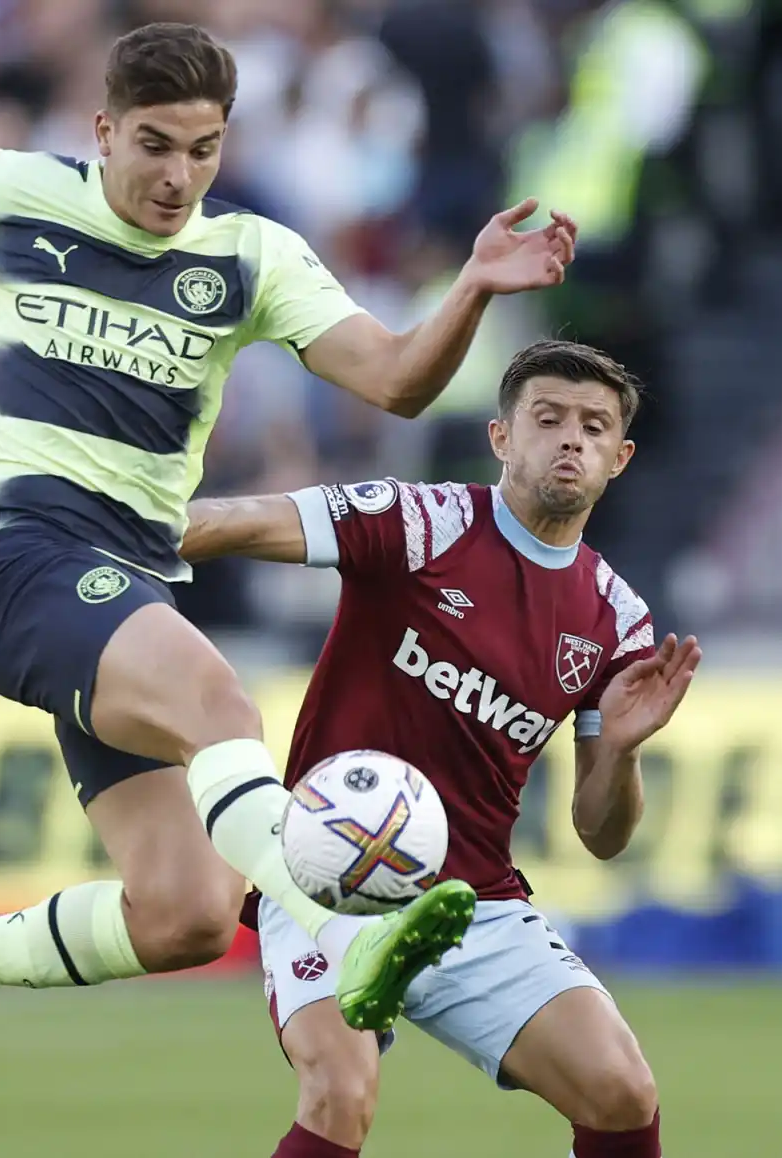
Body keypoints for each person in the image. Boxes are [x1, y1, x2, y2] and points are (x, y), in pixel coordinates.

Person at [0, 23, 577, 1124]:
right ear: (103, 129)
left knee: (187, 916)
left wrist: (475, 288)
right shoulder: (13, 193)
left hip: (129, 595)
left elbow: (392, 380)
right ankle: (359, 928)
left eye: (202, 150)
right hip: (19, 561)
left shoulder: (252, 256)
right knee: (217, 704)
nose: (176, 176)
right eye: (154, 145)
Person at [180, 340, 698, 1158]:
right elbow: (241, 521)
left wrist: (622, 751)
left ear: (620, 458)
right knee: (340, 1093)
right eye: (548, 418)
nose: (571, 439)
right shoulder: (421, 522)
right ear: (501, 437)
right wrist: (93, 537)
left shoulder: (617, 620)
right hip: (327, 874)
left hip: (474, 902)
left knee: (622, 1092)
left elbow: (602, 833)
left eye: (594, 427)